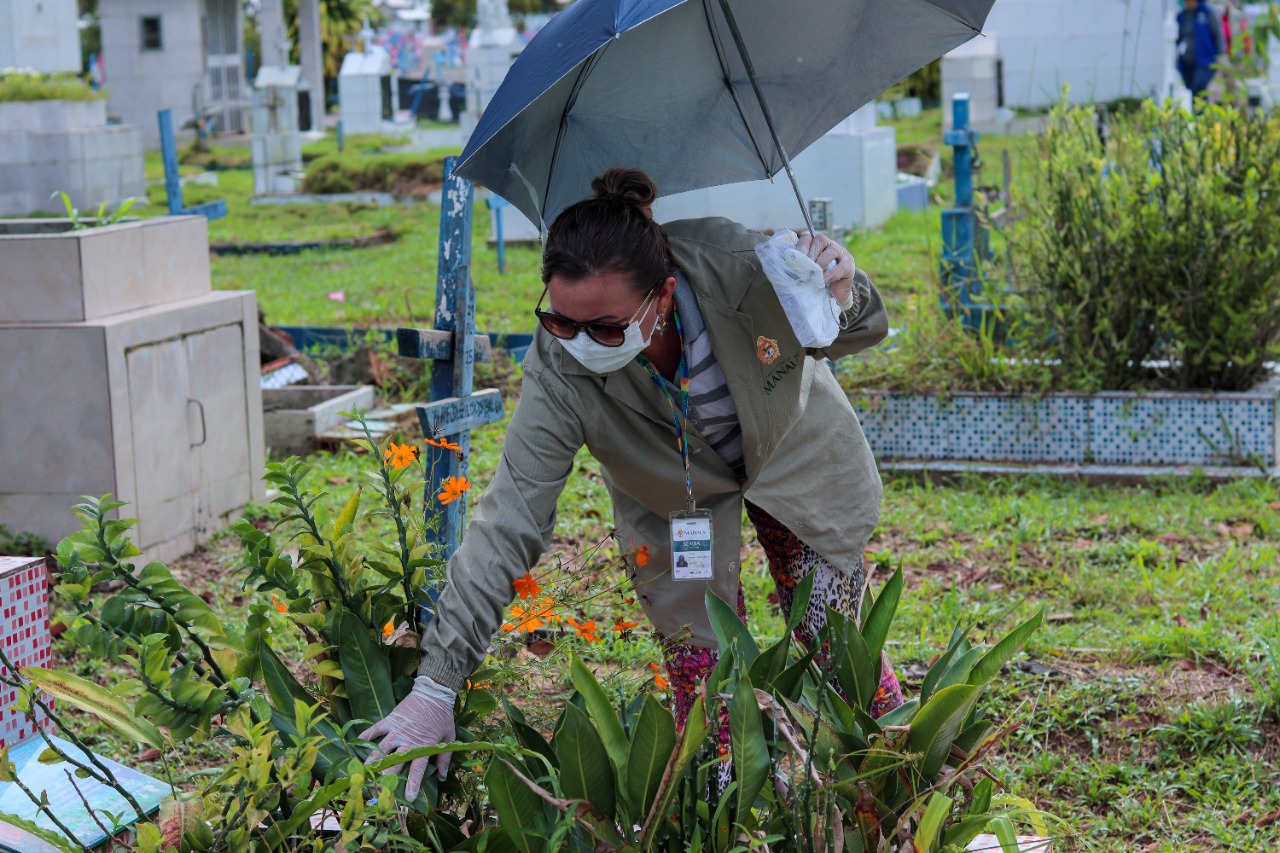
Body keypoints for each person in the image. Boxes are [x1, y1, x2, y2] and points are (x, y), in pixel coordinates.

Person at [361, 168, 904, 799]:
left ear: (664, 296)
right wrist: (437, 683)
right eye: (561, 321)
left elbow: (861, 330)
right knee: (709, 699)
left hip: (795, 462)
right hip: (678, 508)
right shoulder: (560, 363)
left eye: (606, 328)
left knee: (839, 654)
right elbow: (511, 515)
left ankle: (896, 799)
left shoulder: (743, 265)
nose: (579, 343)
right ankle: (729, 823)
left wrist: (841, 289)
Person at [1177, 0, 1225, 97]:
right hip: (1187, 60)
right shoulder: (1182, 16)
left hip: (1206, 59)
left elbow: (1218, 34)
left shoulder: (1207, 12)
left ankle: (1200, 106)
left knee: (1199, 87)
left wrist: (1221, 55)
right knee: (1190, 88)